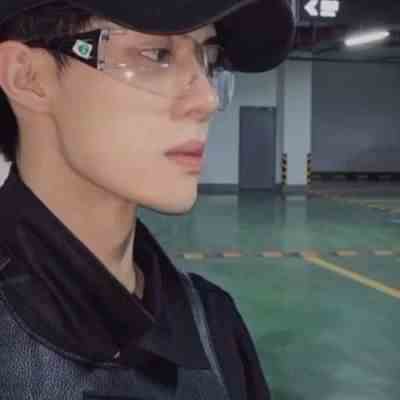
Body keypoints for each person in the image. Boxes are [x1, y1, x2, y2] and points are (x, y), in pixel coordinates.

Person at [0, 0, 294, 398]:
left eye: (210, 61)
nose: (207, 99)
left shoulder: (212, 325)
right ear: (27, 77)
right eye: (156, 54)